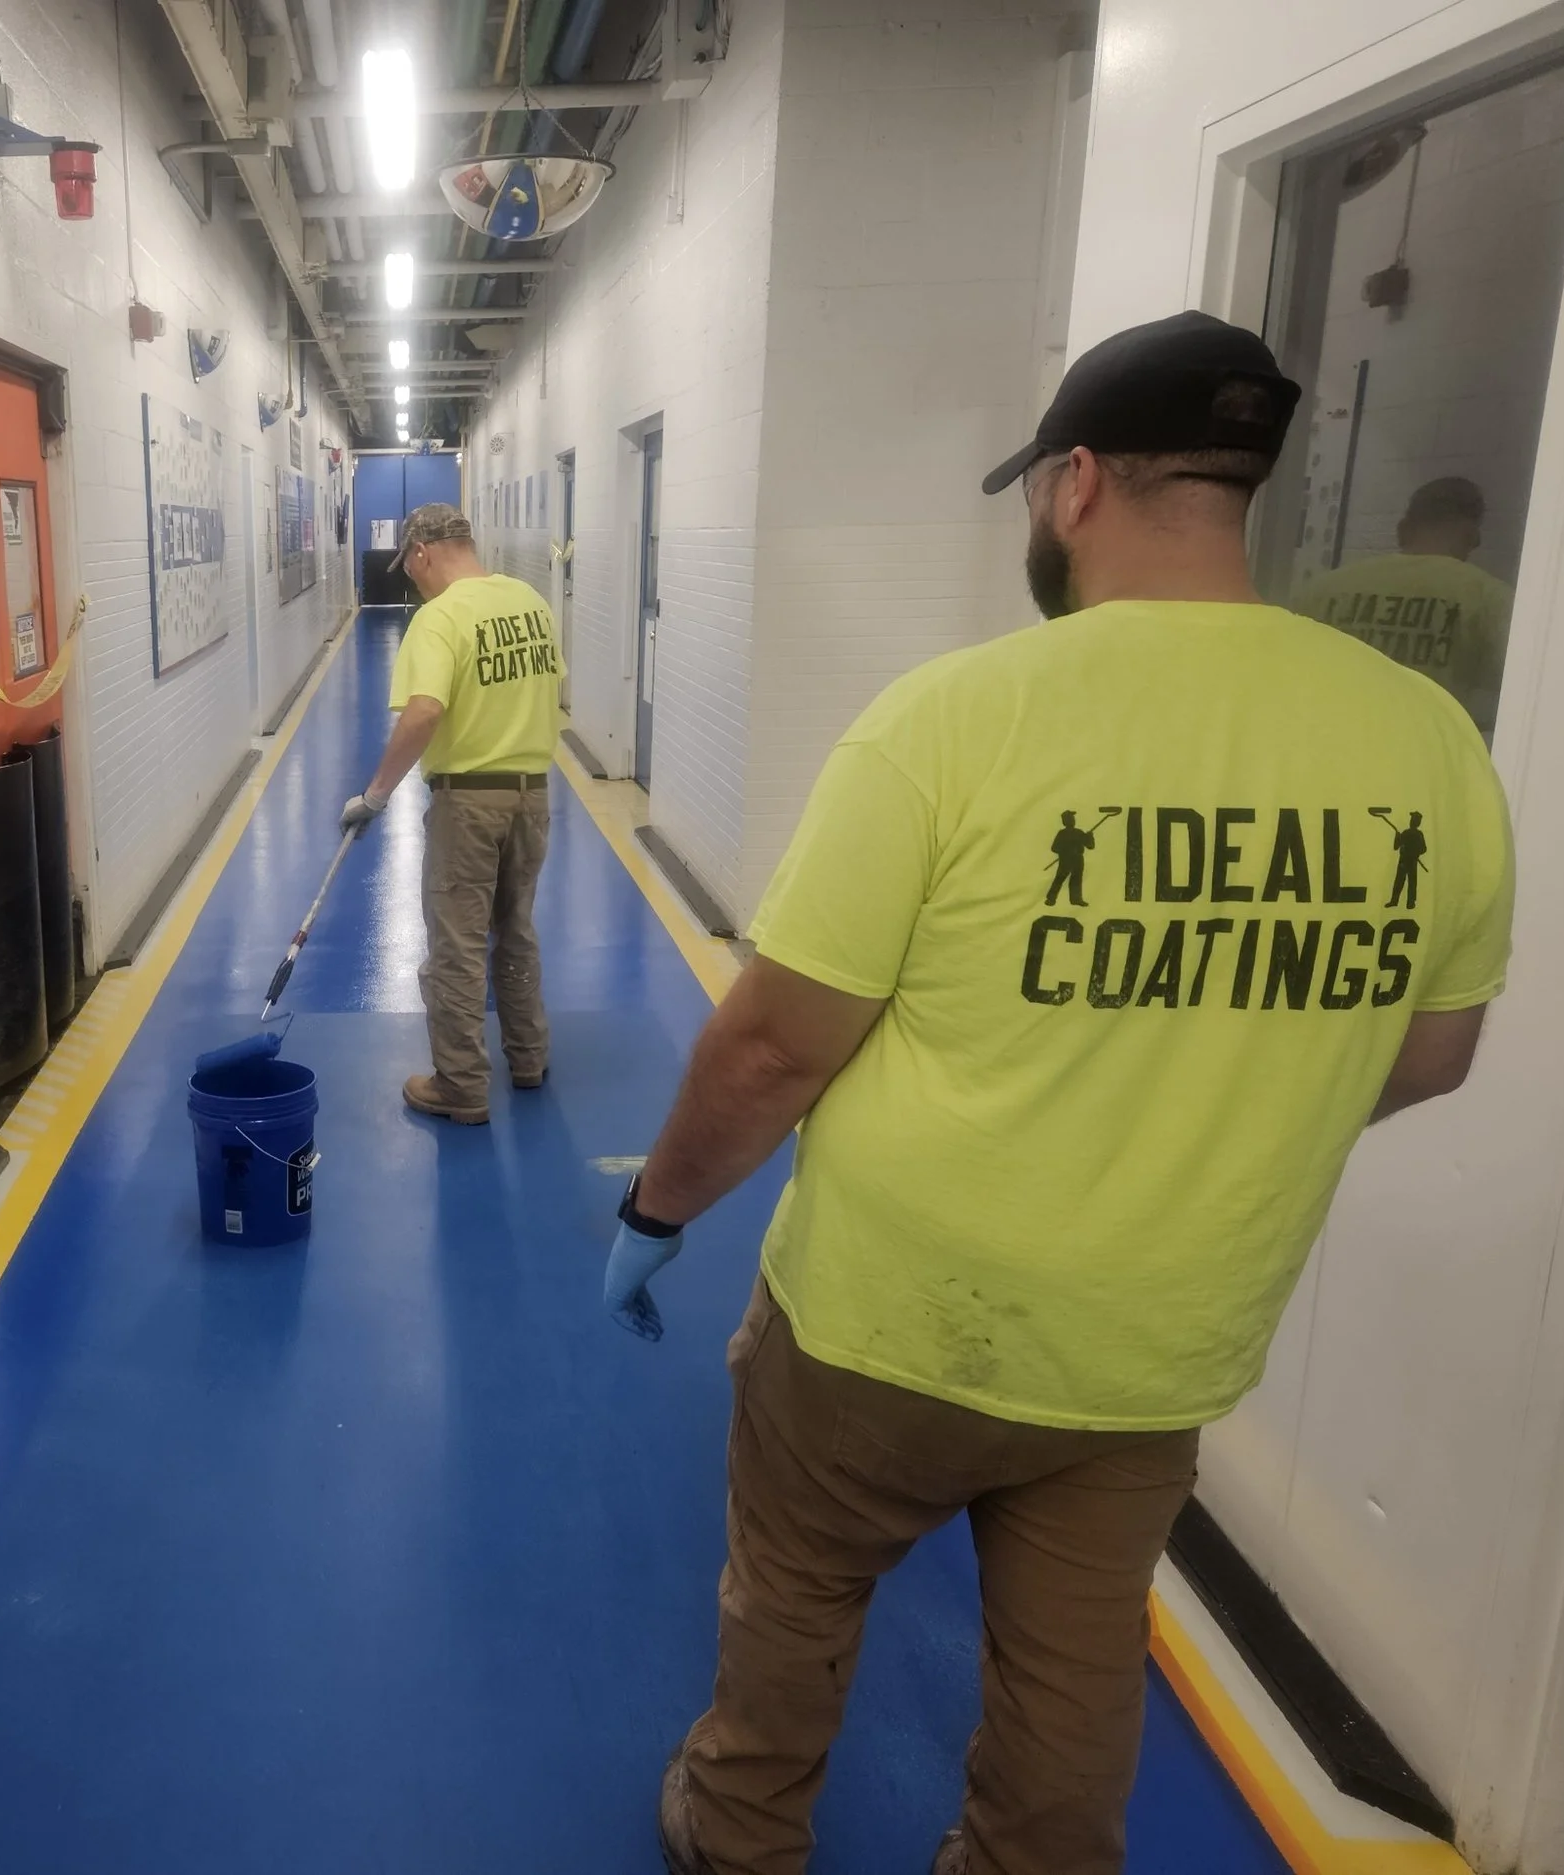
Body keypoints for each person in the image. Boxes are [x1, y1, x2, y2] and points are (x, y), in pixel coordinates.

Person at [602, 313, 1514, 1875]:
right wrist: (1223, 1094)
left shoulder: (957, 721)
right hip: (1156, 1342)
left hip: (890, 1319)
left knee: (800, 1590)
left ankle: (741, 1828)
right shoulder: (1425, 741)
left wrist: (659, 1204)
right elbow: (1428, 1053)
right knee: (1077, 1668)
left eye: (1036, 486)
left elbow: (771, 1045)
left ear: (1078, 482)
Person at [342, 502, 564, 1124]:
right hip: (532, 796)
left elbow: (425, 712)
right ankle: (528, 1058)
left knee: (457, 947)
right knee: (515, 930)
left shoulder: (440, 620)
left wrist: (377, 793)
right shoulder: (530, 604)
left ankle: (460, 1084)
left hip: (467, 803)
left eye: (410, 569)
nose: (412, 580)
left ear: (422, 552)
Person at [1289, 475, 1514, 735]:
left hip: (1326, 745)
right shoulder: (1490, 599)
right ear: (1472, 535)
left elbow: (1287, 679)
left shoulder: (1321, 591)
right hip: (1425, 756)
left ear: (1403, 529)